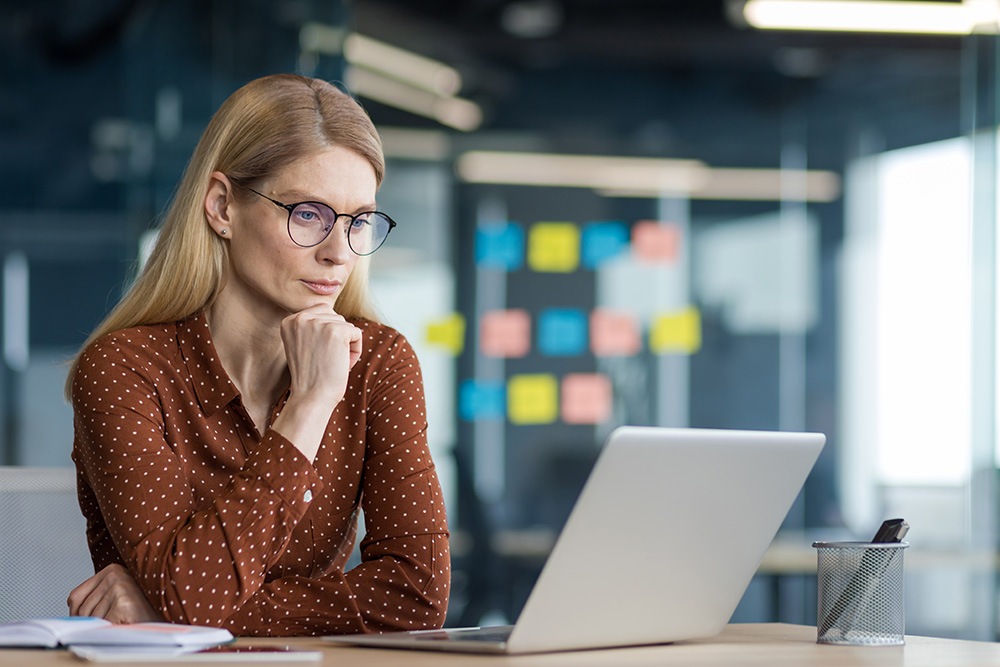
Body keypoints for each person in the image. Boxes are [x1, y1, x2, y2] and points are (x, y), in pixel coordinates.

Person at [63, 73, 450, 636]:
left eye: (359, 221)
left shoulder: (379, 362)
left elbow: (416, 597)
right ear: (222, 206)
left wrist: (177, 609)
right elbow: (188, 600)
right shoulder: (125, 368)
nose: (338, 253)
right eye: (308, 214)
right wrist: (311, 405)